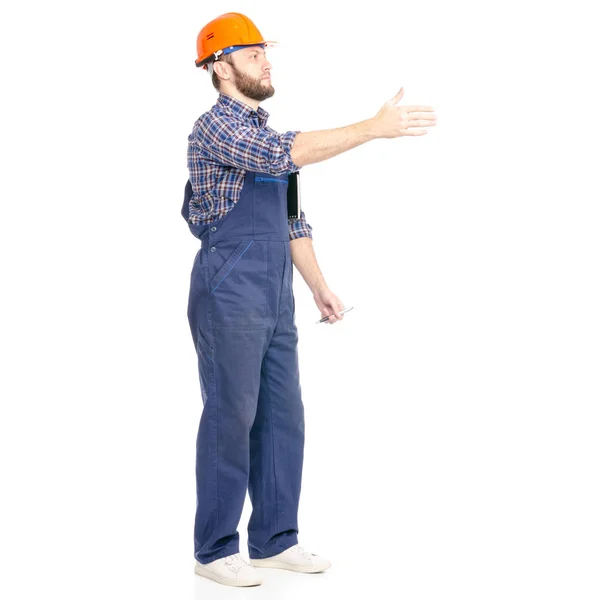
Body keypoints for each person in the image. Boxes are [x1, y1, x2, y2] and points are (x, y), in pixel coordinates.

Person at [183, 12, 437, 588]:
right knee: (231, 415)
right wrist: (372, 127)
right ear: (220, 67)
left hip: (273, 293)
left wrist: (319, 285)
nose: (266, 61)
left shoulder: (270, 135)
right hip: (229, 289)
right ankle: (214, 547)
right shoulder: (216, 129)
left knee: (282, 416)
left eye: (265, 53)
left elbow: (292, 218)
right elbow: (282, 156)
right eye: (252, 55)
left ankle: (274, 539)